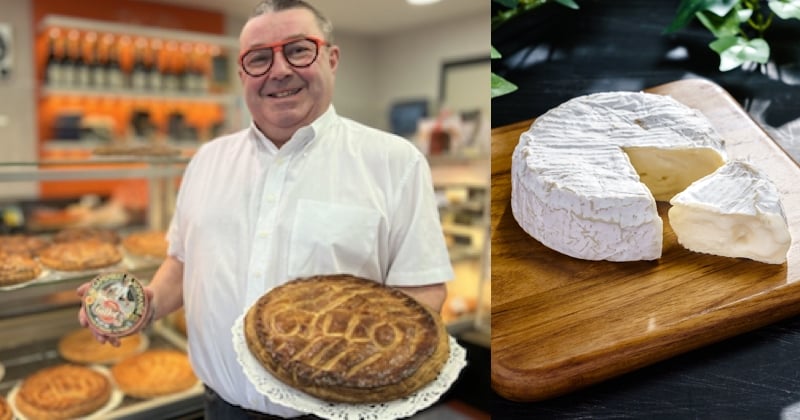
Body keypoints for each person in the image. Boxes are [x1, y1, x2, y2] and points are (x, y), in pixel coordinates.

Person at [77, 0, 454, 418]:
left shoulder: (394, 162)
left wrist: (357, 363)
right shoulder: (206, 160)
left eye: (297, 50)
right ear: (242, 75)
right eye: (259, 58)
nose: (278, 70)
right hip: (222, 408)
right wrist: (143, 305)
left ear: (331, 58)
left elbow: (423, 289)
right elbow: (182, 262)